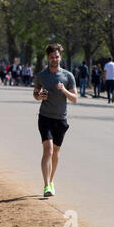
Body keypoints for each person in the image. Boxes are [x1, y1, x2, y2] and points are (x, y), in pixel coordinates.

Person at [33, 43, 78, 197]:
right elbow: (35, 94)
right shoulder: (41, 75)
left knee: (56, 152)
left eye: (57, 56)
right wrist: (40, 96)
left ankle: (51, 181)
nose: (54, 59)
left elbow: (75, 99)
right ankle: (46, 186)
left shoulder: (68, 76)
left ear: (60, 57)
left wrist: (63, 89)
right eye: (51, 57)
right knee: (48, 150)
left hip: (61, 119)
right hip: (45, 117)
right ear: (48, 58)